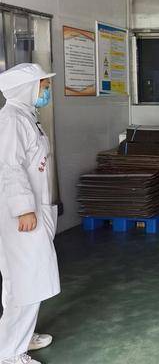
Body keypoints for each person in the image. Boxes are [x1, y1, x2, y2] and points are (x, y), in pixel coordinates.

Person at [0, 63, 60, 364]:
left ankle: (20, 335)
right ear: (27, 89)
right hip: (21, 216)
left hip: (33, 209)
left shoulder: (26, 116)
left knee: (25, 279)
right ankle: (10, 352)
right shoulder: (12, 120)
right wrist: (23, 208)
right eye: (44, 86)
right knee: (26, 279)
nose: (47, 91)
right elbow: (8, 167)